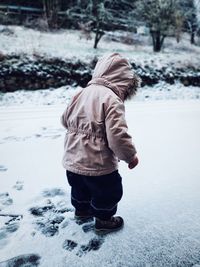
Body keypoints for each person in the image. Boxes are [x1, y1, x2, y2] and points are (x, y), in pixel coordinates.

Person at [61, 53, 141, 234]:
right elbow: (117, 135)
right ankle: (104, 221)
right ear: (124, 80)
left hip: (73, 159)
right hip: (99, 164)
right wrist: (130, 156)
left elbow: (64, 120)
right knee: (107, 192)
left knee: (79, 188)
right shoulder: (112, 99)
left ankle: (81, 211)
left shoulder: (80, 93)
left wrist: (78, 130)